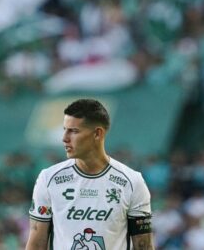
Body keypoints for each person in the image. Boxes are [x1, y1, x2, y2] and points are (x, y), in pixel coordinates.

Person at [25, 99, 154, 250]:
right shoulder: (48, 179)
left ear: (97, 133)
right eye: (65, 130)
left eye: (74, 131)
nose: (64, 138)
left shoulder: (132, 182)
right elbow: (36, 244)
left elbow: (143, 245)